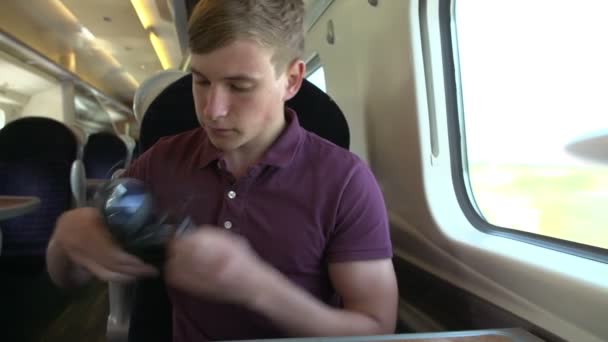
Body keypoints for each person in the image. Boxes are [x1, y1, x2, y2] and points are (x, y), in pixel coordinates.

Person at [46, 0, 398, 340]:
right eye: (200, 81)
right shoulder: (160, 161)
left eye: (239, 87)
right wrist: (66, 238)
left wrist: (259, 289)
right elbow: (67, 279)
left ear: (291, 80)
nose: (212, 111)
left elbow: (376, 328)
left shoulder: (346, 181)